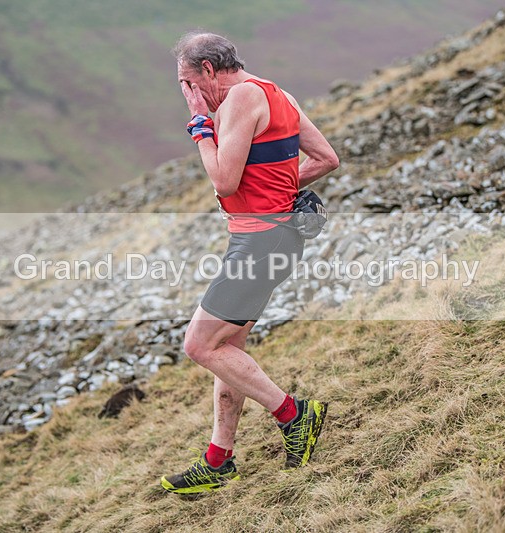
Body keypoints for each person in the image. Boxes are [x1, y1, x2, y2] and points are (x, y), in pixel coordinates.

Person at [160, 30, 340, 495]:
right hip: (273, 241)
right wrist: (277, 191)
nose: (189, 94)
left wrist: (200, 124)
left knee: (199, 346)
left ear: (207, 70)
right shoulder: (277, 93)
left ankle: (295, 415)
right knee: (229, 349)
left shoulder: (239, 97)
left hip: (259, 246)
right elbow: (326, 159)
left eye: (188, 83)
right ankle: (218, 461)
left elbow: (223, 180)